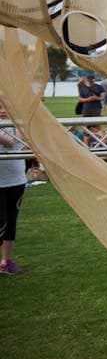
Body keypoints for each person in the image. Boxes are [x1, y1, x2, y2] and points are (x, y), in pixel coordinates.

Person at [0, 104, 28, 275]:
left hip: (16, 180)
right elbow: (10, 142)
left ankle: (5, 262)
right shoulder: (14, 125)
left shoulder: (16, 123)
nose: (3, 110)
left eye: (5, 107)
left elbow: (15, 142)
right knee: (0, 221)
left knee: (11, 222)